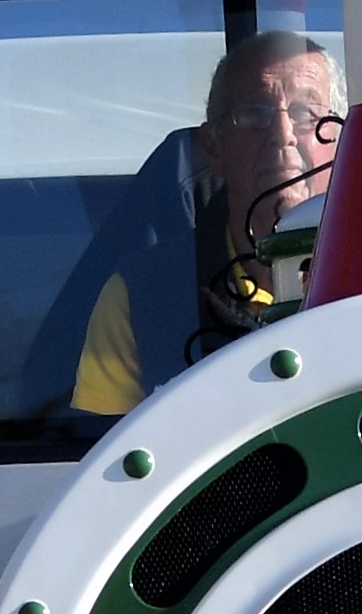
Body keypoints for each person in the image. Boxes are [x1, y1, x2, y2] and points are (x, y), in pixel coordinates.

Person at [77, 24, 342, 413]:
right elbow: (105, 445)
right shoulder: (139, 296)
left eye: (305, 112)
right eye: (254, 113)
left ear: (342, 142)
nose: (282, 133)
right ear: (213, 147)